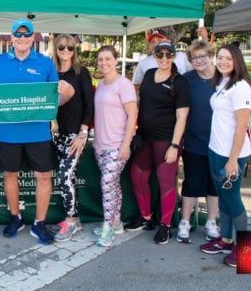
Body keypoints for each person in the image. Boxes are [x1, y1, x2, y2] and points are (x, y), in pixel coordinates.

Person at [0, 18, 70, 245]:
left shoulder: (45, 63)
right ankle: (16, 217)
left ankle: (39, 223)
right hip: (8, 134)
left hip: (38, 133)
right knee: (9, 175)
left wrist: (67, 93)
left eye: (27, 34)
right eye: (18, 34)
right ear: (11, 37)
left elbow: (55, 100)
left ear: (33, 37)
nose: (22, 38)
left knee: (43, 176)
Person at [126, 42, 190, 245]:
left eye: (168, 55)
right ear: (154, 55)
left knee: (166, 183)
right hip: (145, 137)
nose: (163, 58)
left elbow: (182, 117)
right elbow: (140, 103)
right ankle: (146, 217)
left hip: (166, 139)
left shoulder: (179, 82)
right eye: (159, 54)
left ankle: (165, 225)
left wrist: (174, 145)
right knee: (137, 176)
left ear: (174, 56)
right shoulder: (149, 74)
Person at [200, 43, 251, 268]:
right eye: (220, 58)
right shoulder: (223, 82)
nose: (222, 62)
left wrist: (233, 160)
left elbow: (241, 127)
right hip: (216, 149)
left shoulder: (241, 87)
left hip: (232, 154)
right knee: (222, 197)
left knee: (232, 198)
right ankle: (225, 239)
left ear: (237, 61)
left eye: (228, 59)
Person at [92, 45, 138, 247]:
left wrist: (126, 143)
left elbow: (133, 114)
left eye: (108, 59)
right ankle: (117, 222)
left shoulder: (124, 84)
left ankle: (107, 227)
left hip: (117, 145)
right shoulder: (101, 84)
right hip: (100, 145)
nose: (104, 63)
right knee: (113, 185)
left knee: (107, 184)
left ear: (116, 61)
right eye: (100, 59)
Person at [51, 34, 94, 242]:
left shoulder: (81, 72)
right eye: (61, 47)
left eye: (70, 47)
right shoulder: (51, 72)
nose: (65, 50)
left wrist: (82, 133)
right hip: (57, 134)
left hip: (76, 134)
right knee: (70, 177)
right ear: (55, 48)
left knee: (63, 176)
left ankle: (71, 220)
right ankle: (74, 218)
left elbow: (89, 104)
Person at [177, 39, 220, 244]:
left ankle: (212, 222)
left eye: (203, 56)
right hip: (194, 142)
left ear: (211, 55)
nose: (199, 60)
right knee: (192, 183)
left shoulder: (224, 78)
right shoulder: (187, 79)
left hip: (219, 144)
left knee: (214, 186)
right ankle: (185, 222)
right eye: (194, 58)